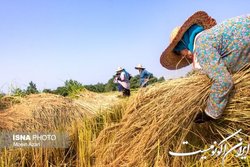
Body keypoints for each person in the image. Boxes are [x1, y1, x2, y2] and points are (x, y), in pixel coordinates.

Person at [160, 11, 250, 123]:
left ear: (182, 44)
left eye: (179, 53)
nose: (184, 57)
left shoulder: (202, 46)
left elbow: (224, 81)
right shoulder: (210, 36)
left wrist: (210, 113)